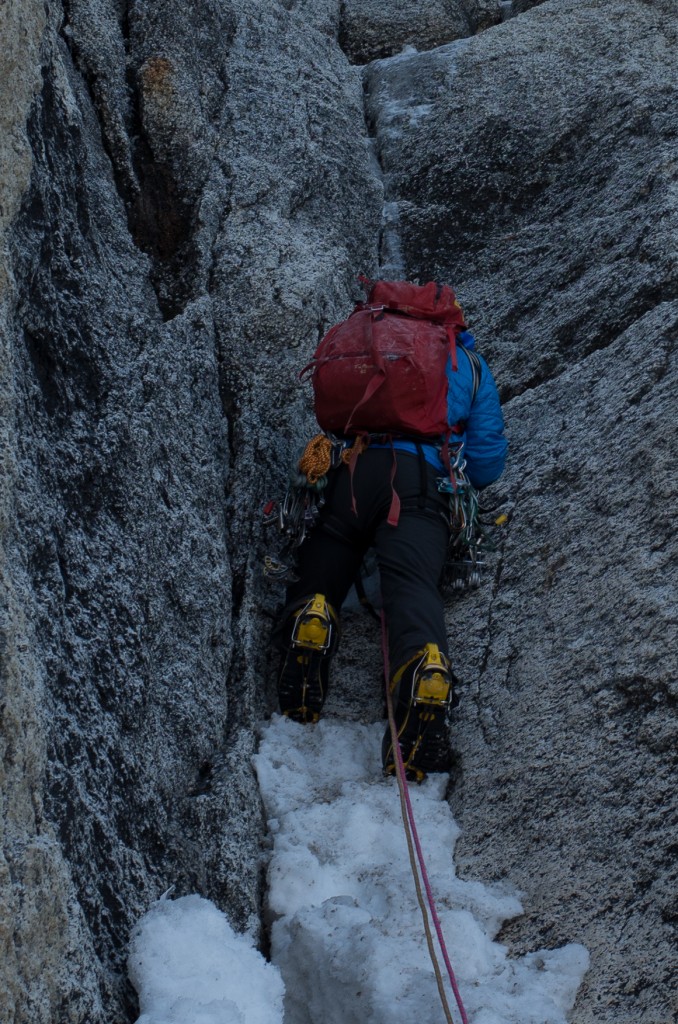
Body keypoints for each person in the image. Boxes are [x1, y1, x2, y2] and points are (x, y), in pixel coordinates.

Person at [275, 281, 507, 781]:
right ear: (450, 322)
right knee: (412, 582)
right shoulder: (464, 362)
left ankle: (311, 614)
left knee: (331, 542)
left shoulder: (370, 340)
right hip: (420, 483)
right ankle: (422, 668)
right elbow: (487, 464)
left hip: (355, 469)